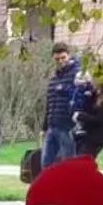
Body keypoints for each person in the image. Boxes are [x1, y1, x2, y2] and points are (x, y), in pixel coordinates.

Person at [40, 43, 92, 171]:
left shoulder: (78, 73)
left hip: (68, 126)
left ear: (68, 55)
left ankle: (68, 190)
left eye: (63, 58)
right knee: (46, 164)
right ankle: (48, 190)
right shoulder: (54, 77)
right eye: (57, 59)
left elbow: (85, 97)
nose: (61, 61)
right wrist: (45, 126)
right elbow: (49, 103)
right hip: (53, 125)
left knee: (68, 164)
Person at [73, 74, 103, 158]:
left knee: (83, 159)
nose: (93, 81)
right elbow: (89, 109)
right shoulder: (96, 93)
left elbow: (101, 119)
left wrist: (81, 116)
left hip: (98, 135)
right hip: (90, 133)